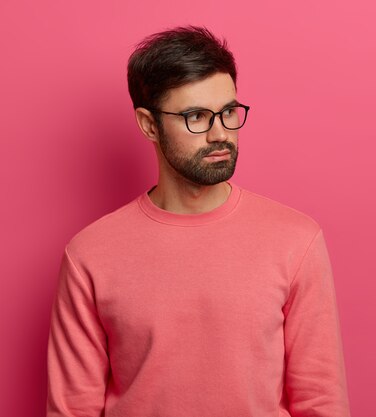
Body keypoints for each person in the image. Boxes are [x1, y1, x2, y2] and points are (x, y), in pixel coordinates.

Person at [46, 25, 351, 417]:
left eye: (227, 112)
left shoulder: (296, 239)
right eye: (196, 116)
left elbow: (321, 400)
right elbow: (73, 408)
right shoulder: (89, 254)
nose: (220, 133)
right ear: (149, 124)